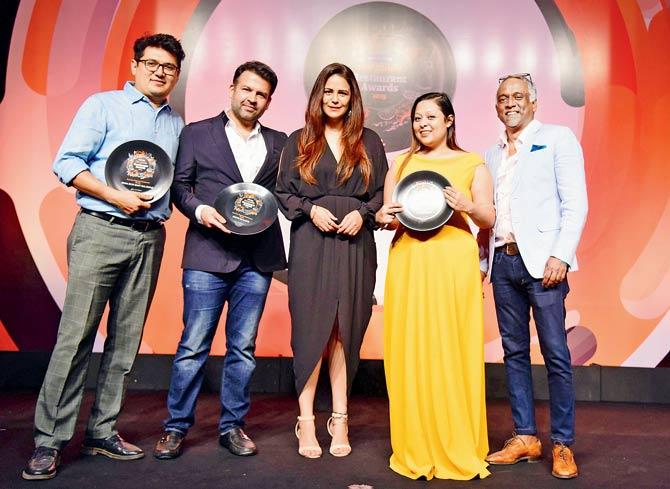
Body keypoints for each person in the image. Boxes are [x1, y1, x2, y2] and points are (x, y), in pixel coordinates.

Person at [22, 34, 185, 481]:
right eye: (152, 63)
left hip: (150, 236)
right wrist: (113, 194)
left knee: (125, 342)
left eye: (169, 67)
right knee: (75, 338)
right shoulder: (102, 106)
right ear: (134, 66)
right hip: (101, 230)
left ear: (176, 75)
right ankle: (49, 441)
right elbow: (68, 162)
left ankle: (102, 430)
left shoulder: (176, 124)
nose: (159, 72)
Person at [152, 61, 287, 460]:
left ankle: (232, 427)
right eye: (246, 89)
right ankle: (175, 428)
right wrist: (199, 211)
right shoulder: (196, 133)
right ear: (231, 89)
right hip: (207, 255)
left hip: (257, 260)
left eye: (261, 94)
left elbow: (286, 190)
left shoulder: (279, 142)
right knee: (193, 346)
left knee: (243, 349)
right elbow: (180, 187)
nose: (252, 98)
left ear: (268, 101)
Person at [376, 92, 494, 480]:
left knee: (451, 349)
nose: (422, 123)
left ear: (449, 120)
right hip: (410, 259)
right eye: (416, 118)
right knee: (410, 349)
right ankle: (416, 442)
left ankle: (456, 441)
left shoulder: (472, 163)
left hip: (453, 263)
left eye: (430, 116)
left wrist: (466, 204)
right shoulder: (401, 163)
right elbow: (389, 215)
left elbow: (489, 218)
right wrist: (383, 215)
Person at [479, 73, 588, 479]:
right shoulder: (490, 154)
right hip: (503, 263)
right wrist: (482, 264)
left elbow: (575, 203)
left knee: (556, 355)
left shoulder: (558, 139)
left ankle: (563, 444)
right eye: (503, 98)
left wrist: (561, 255)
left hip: (544, 264)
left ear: (534, 102)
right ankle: (525, 436)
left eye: (518, 96)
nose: (510, 103)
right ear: (496, 107)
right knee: (514, 353)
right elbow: (488, 215)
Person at [276, 63, 387, 458]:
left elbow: (379, 196)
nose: (335, 99)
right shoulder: (298, 140)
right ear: (318, 96)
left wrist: (363, 214)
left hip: (357, 244)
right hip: (312, 243)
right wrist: (310, 210)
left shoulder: (370, 141)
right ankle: (306, 421)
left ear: (352, 98)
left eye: (342, 93)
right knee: (311, 329)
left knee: (345, 330)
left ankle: (340, 419)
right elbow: (283, 193)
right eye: (328, 92)